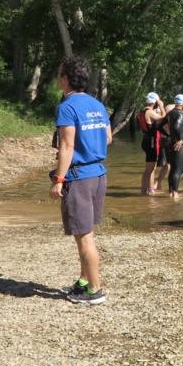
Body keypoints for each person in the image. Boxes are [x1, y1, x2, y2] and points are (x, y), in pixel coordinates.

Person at [50, 55, 112, 304]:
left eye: (58, 74)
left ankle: (94, 291)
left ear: (65, 79)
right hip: (98, 174)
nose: (57, 78)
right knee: (87, 232)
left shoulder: (67, 106)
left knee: (84, 236)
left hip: (79, 176)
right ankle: (84, 281)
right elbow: (108, 138)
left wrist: (59, 179)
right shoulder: (97, 105)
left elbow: (66, 145)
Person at [138, 92, 166, 194]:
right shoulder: (149, 111)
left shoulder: (142, 111)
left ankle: (146, 189)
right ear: (155, 102)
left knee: (150, 168)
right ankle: (147, 190)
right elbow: (163, 116)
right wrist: (162, 106)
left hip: (145, 140)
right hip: (151, 142)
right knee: (150, 169)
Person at [164, 94, 183, 200]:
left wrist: (169, 135)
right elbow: (176, 126)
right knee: (178, 170)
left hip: (171, 143)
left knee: (172, 170)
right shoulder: (180, 114)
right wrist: (180, 139)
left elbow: (159, 126)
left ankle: (171, 192)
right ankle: (175, 194)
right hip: (179, 146)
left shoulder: (170, 113)